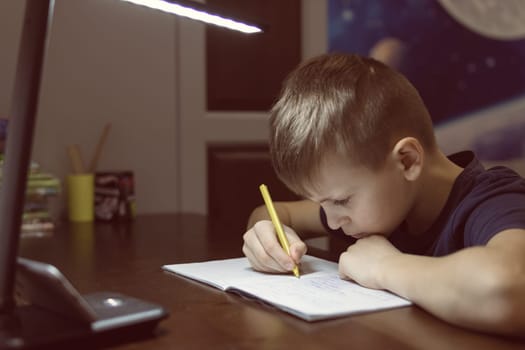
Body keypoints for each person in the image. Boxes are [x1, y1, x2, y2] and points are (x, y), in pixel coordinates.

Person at [242, 53, 525, 337]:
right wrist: (267, 237)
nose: (333, 220)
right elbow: (276, 212)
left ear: (407, 160)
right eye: (321, 203)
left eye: (341, 201)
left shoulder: (494, 201)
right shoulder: (383, 202)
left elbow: (508, 288)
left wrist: (385, 267)